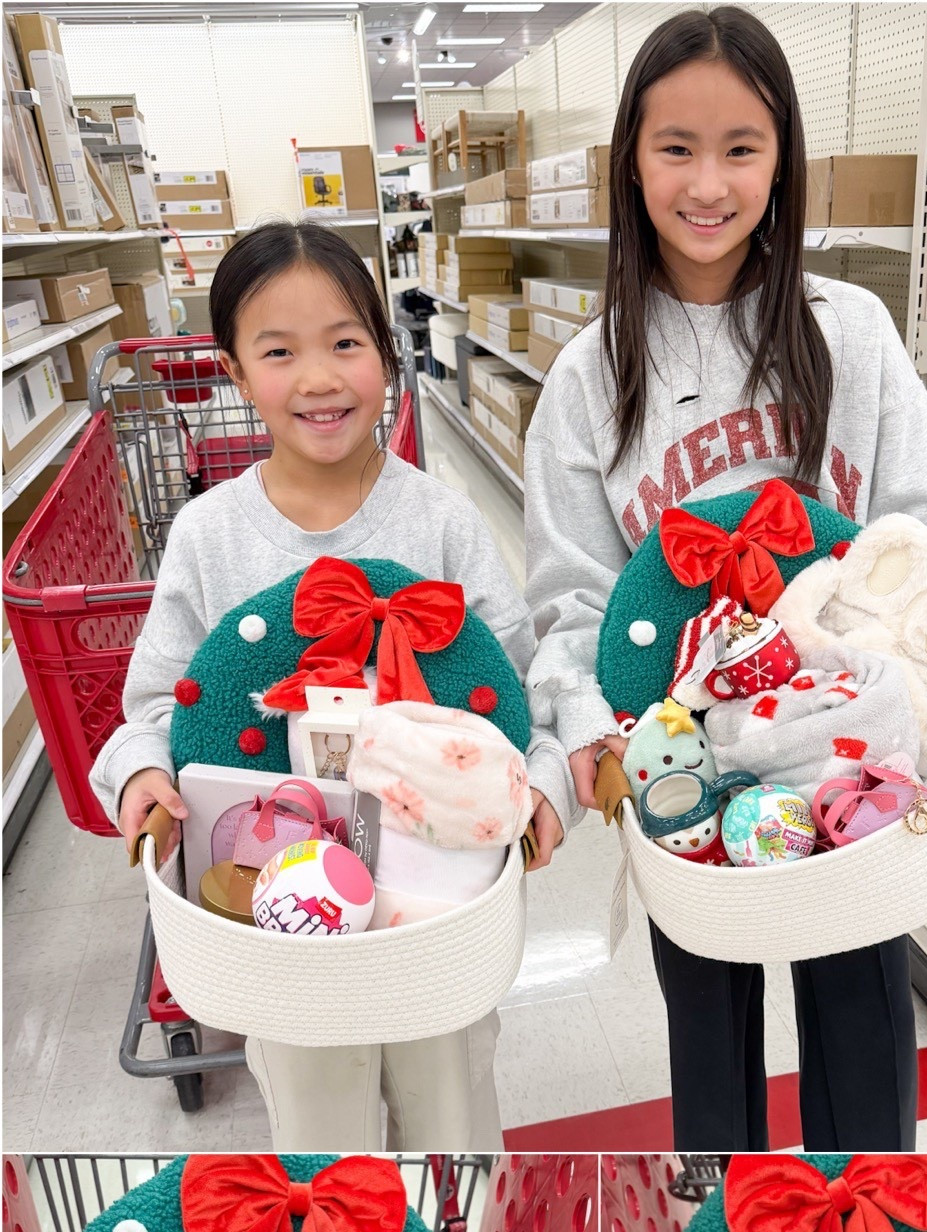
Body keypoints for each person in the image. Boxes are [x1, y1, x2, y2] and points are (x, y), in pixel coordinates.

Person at [521, 5, 927, 1153]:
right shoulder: (587, 372)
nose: (708, 183)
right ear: (630, 161)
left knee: (861, 1019)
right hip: (685, 763)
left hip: (853, 751)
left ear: (781, 159)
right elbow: (569, 597)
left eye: (740, 147)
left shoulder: (846, 333)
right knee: (708, 1034)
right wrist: (588, 732)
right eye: (675, 148)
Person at [91, 220, 571, 1149]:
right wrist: (141, 774)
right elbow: (154, 704)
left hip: (439, 905)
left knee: (453, 1115)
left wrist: (547, 785)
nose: (318, 378)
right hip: (282, 923)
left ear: (387, 356)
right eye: (279, 351)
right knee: (320, 1135)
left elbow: (521, 691)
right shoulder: (209, 536)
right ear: (234, 373)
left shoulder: (440, 522)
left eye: (347, 343)